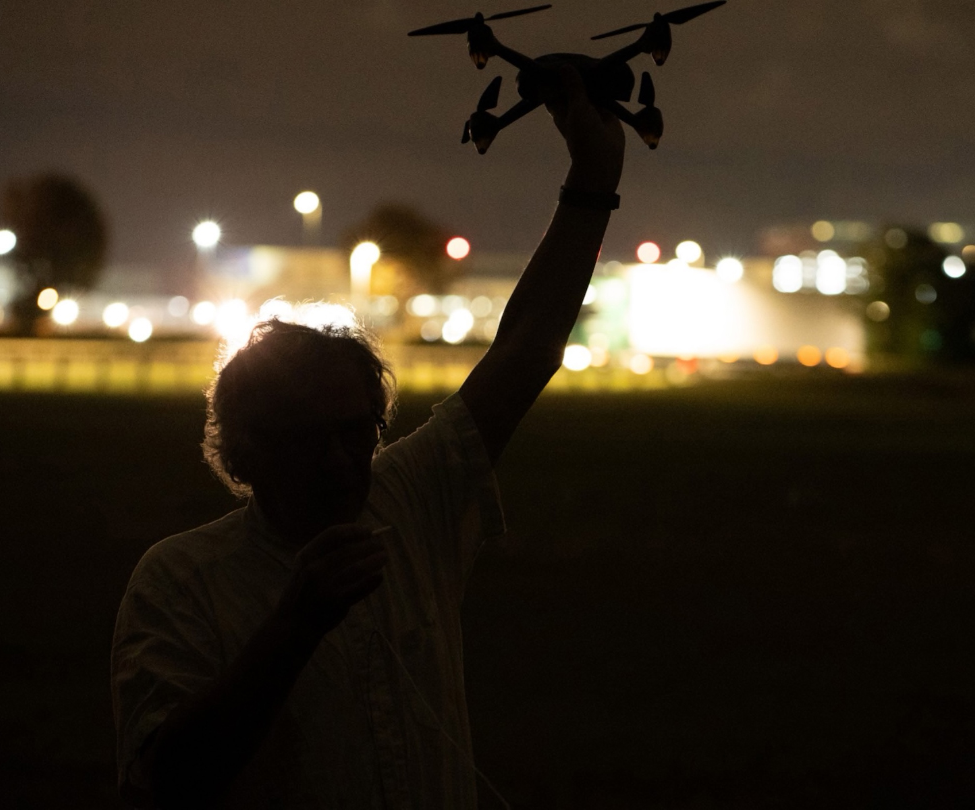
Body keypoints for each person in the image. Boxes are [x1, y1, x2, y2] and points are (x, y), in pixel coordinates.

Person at [111, 65, 626, 809]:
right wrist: (297, 622)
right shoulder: (180, 581)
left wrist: (593, 177)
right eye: (304, 437)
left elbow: (526, 351)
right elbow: (167, 780)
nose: (339, 460)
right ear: (243, 452)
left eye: (358, 432)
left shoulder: (410, 498)